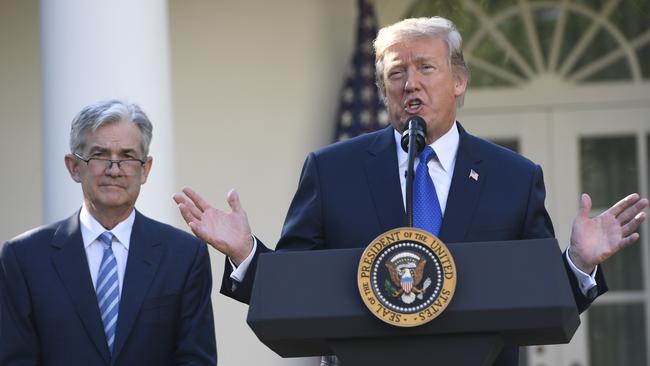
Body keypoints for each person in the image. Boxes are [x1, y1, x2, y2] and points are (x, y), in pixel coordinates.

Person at [173, 17, 648, 366]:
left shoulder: (513, 176)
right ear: (382, 90)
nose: (410, 85)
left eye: (426, 68)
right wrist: (246, 254)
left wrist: (579, 262)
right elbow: (297, 291)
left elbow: (544, 296)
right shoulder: (332, 170)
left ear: (459, 80)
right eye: (396, 74)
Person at [0, 100, 217, 365]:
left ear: (145, 169)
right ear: (73, 167)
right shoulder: (23, 258)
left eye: (127, 156)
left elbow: (196, 359)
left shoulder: (184, 255)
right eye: (100, 155)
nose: (114, 170)